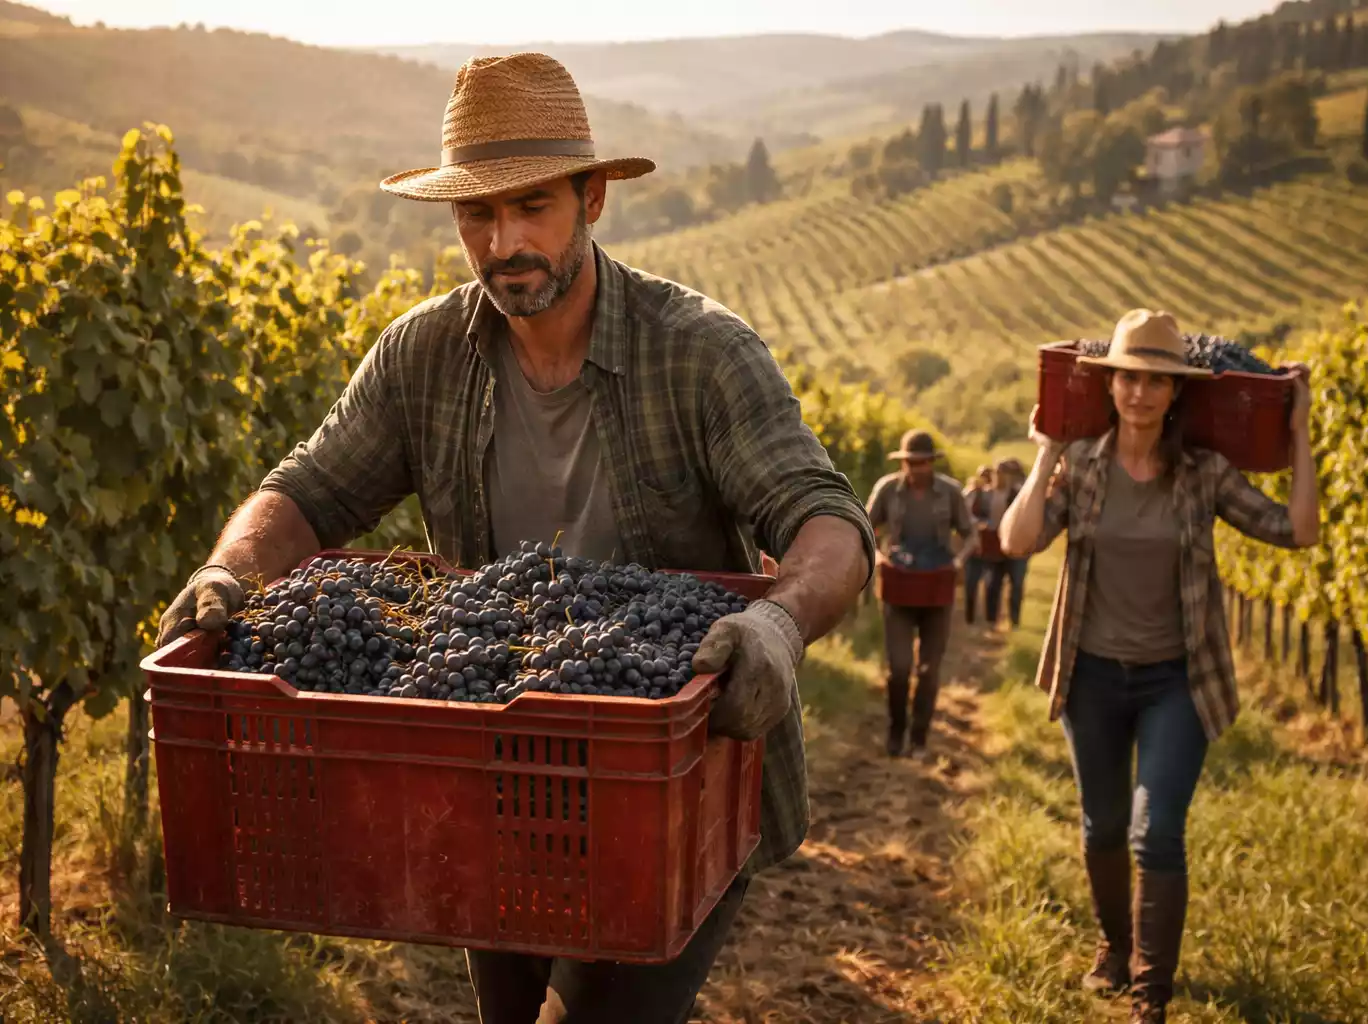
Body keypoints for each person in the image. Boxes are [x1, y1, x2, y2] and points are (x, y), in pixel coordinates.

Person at [154, 53, 874, 1024]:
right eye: (477, 217)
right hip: (497, 783)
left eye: (531, 206)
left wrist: (779, 627)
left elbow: (825, 522)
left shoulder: (701, 353)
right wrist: (226, 570)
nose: (504, 242)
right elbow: (307, 491)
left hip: (663, 789)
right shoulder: (424, 356)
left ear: (591, 199)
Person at [998, 309, 1319, 1024]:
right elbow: (1016, 541)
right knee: (1102, 827)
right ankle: (1115, 949)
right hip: (1093, 680)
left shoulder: (1203, 474)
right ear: (1111, 387)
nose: (1140, 393)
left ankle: (1151, 992)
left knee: (1156, 830)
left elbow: (1297, 531)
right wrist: (1048, 450)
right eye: (1128, 378)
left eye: (1156, 381)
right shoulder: (1081, 468)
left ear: (1177, 393)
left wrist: (1299, 436)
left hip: (1177, 680)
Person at [866, 429, 976, 758]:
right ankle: (896, 732)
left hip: (936, 586)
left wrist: (957, 562)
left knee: (929, 669)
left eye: (924, 463)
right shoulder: (887, 489)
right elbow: (864, 527)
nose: (918, 469)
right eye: (912, 463)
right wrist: (879, 557)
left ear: (932, 462)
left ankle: (919, 737)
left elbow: (971, 536)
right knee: (899, 667)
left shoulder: (951, 493)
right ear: (904, 463)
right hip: (898, 585)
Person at [961, 465, 1002, 625]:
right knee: (971, 582)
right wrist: (977, 524)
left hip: (991, 543)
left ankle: (991, 618)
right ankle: (969, 617)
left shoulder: (996, 494)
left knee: (991, 584)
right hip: (974, 544)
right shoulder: (972, 492)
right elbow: (964, 515)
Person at [993, 457, 1029, 628]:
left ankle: (1014, 620)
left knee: (1016, 583)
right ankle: (995, 618)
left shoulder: (1021, 492)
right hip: (997, 544)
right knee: (995, 582)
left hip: (1018, 545)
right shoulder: (995, 492)